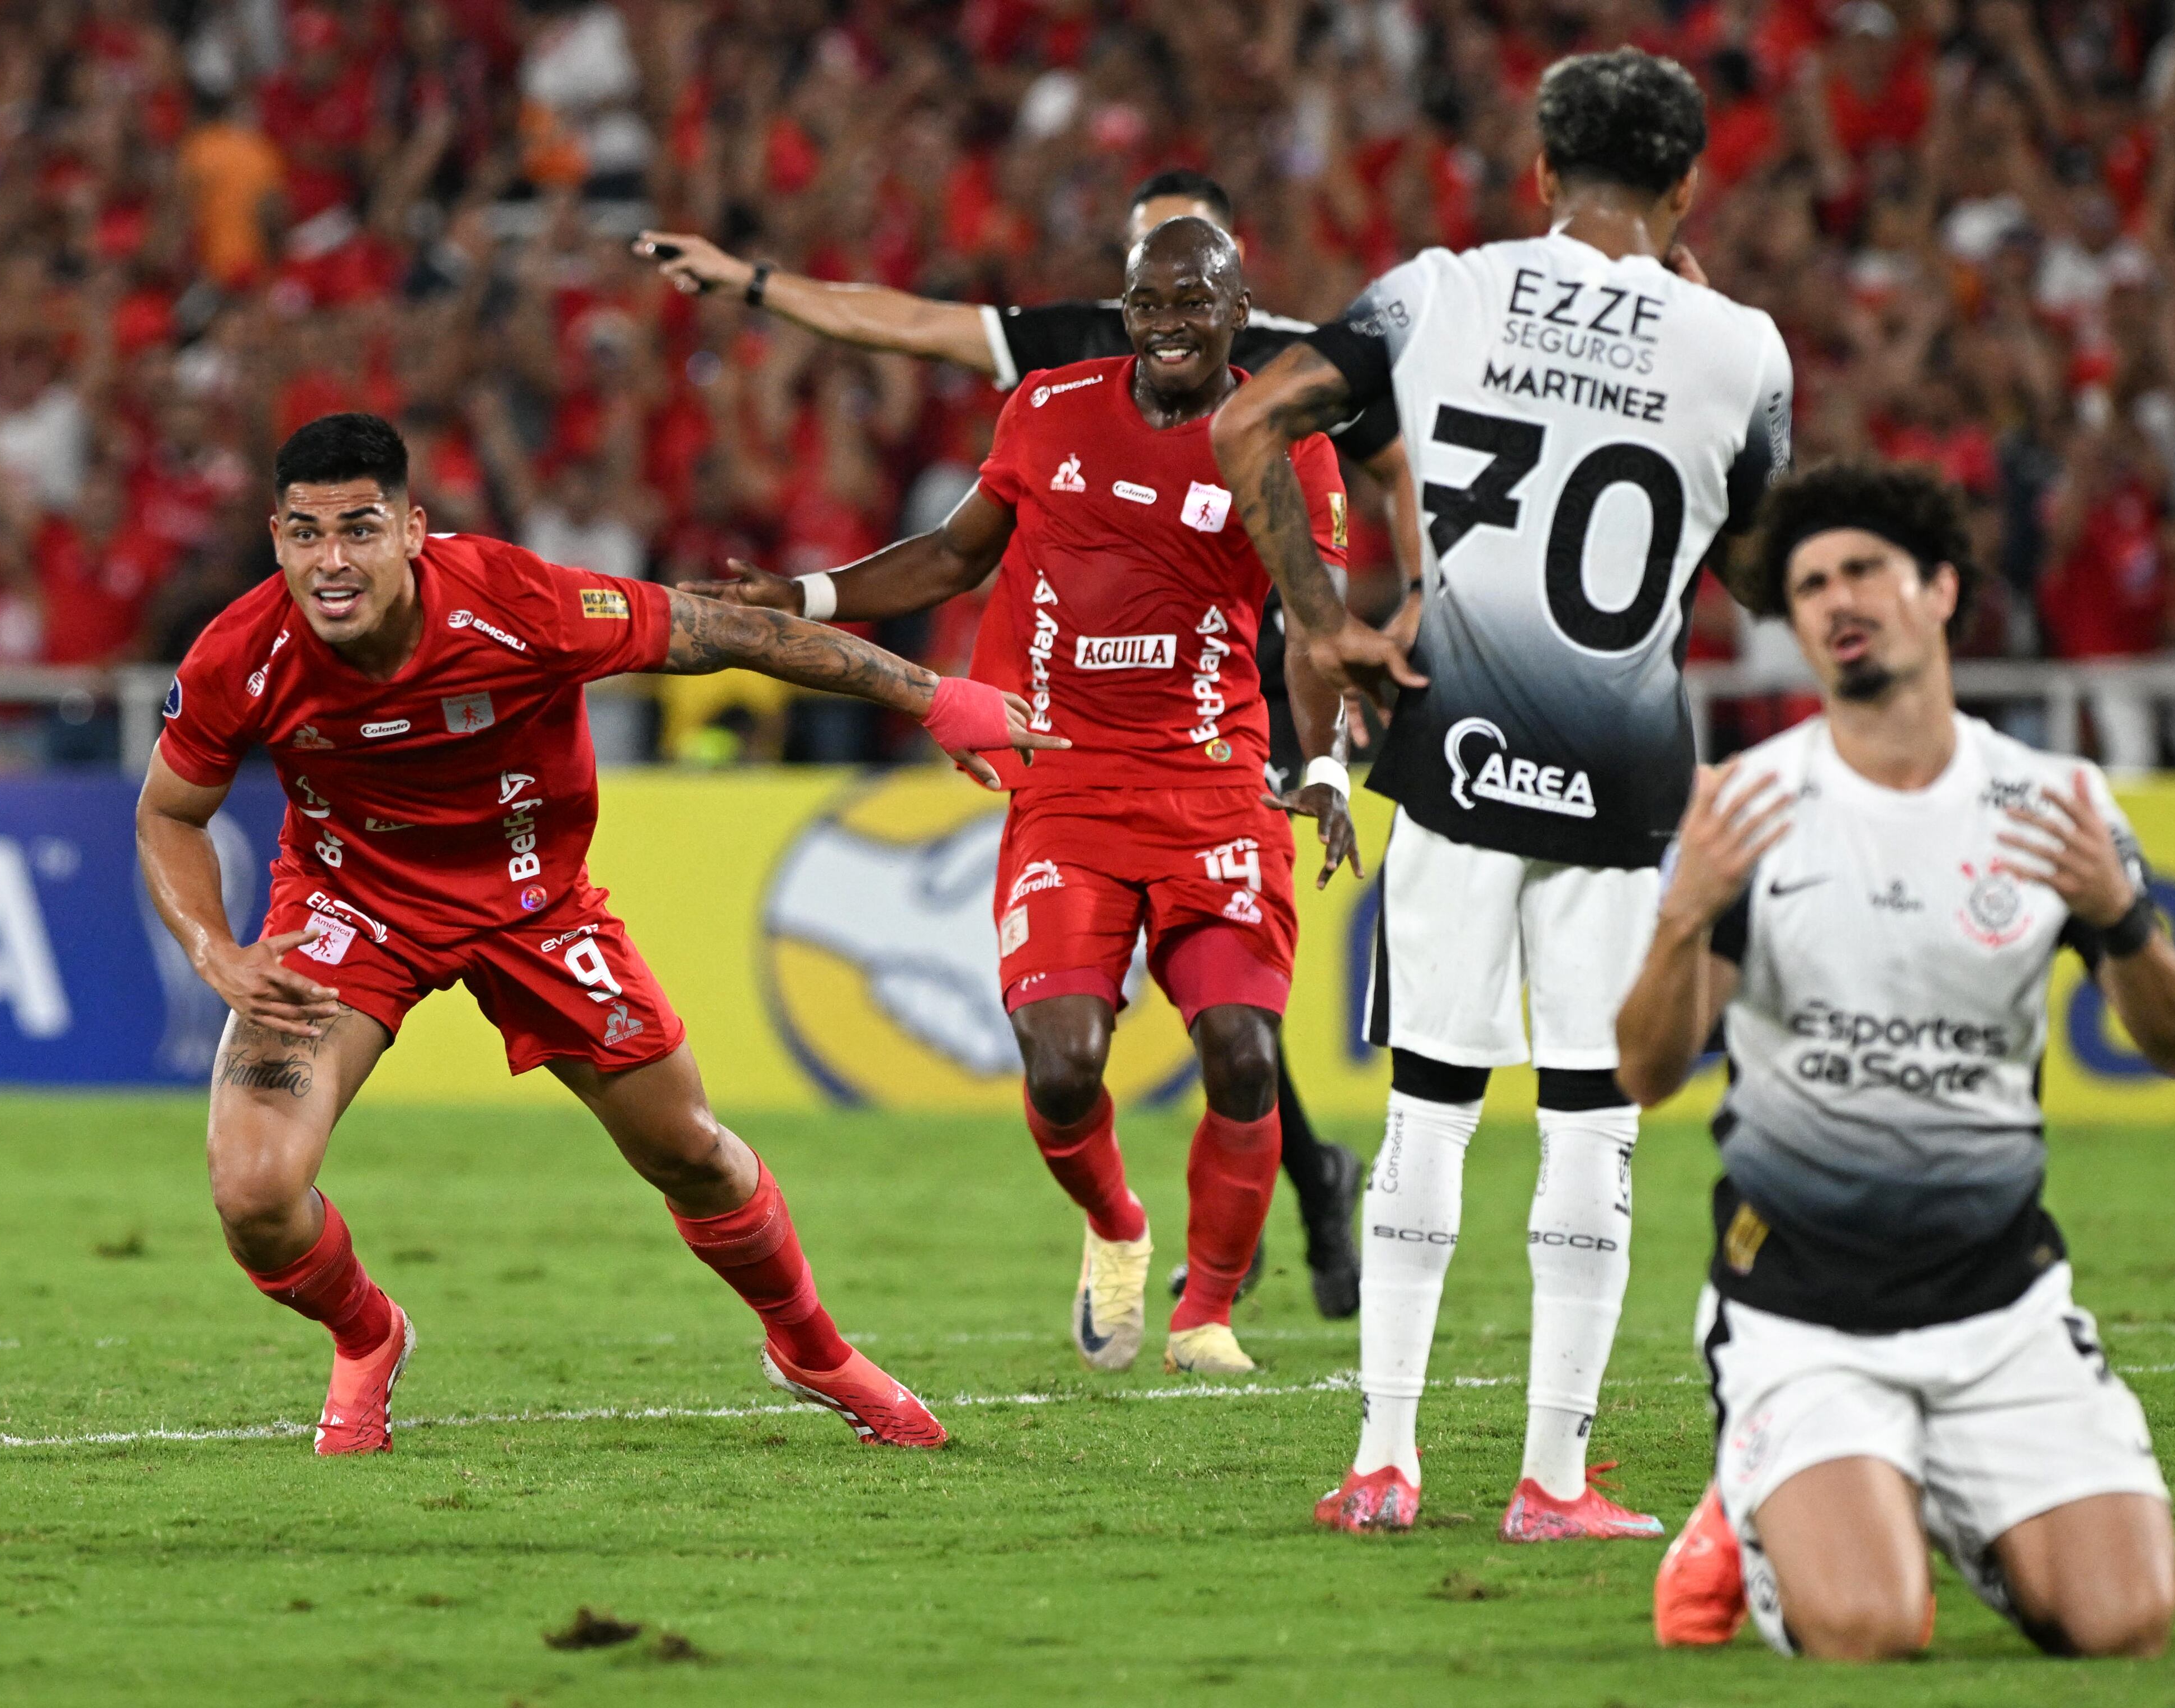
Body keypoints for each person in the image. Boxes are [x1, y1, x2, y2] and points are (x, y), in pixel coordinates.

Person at [135, 412, 1062, 1455]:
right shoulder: (242, 653)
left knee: (694, 1153)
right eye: (306, 534)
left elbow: (733, 635)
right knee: (254, 1193)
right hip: (353, 907)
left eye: (360, 528)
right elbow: (169, 811)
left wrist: (929, 694)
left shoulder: (519, 602)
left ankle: (810, 1347)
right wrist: (215, 949)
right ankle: (368, 1335)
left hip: (535, 904)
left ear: (412, 530)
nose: (332, 562)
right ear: (275, 538)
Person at [1210, 47, 1793, 1539]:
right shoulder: (1742, 348)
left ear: (1538, 174)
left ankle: (1384, 1465)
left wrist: (1324, 620)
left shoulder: (1436, 294)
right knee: (1593, 1125)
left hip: (1449, 757)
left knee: (1428, 1115)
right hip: (1623, 778)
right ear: (1683, 189)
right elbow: (1762, 573)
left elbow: (1244, 426)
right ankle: (1551, 1481)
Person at [640, 170, 1394, 1319]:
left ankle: (1217, 1306)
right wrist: (803, 592)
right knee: (1060, 1064)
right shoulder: (1050, 390)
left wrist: (1331, 757)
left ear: (1239, 294)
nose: (1169, 317)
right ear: (1125, 289)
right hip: (1068, 776)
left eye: (1194, 292)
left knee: (1243, 1049)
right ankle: (1121, 1229)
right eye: (1148, 291)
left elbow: (1324, 603)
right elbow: (946, 520)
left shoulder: (1294, 403)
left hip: (1217, 768)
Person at [1624, 459, 2175, 1661]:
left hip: (2000, 1305)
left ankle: (1923, 1489)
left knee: (2123, 1620)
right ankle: (1764, 1504)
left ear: (1939, 589)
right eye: (1809, 585)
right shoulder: (1753, 806)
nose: (1835, 600)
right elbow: (1647, 1071)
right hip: (1801, 1309)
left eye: (1861, 572)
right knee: (1869, 1629)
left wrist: (2122, 915)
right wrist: (1682, 917)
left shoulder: (2053, 800)